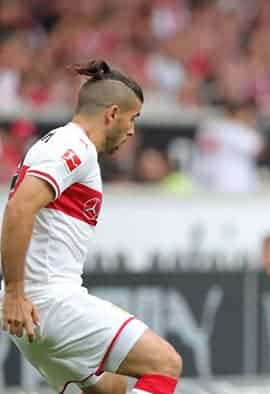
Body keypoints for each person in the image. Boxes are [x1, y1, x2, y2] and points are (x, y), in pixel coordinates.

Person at [0, 60, 182, 394]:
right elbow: (18, 208)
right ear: (112, 113)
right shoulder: (73, 147)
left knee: (111, 388)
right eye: (133, 119)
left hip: (41, 306)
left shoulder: (66, 146)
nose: (132, 131)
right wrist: (14, 291)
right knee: (165, 363)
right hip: (49, 301)